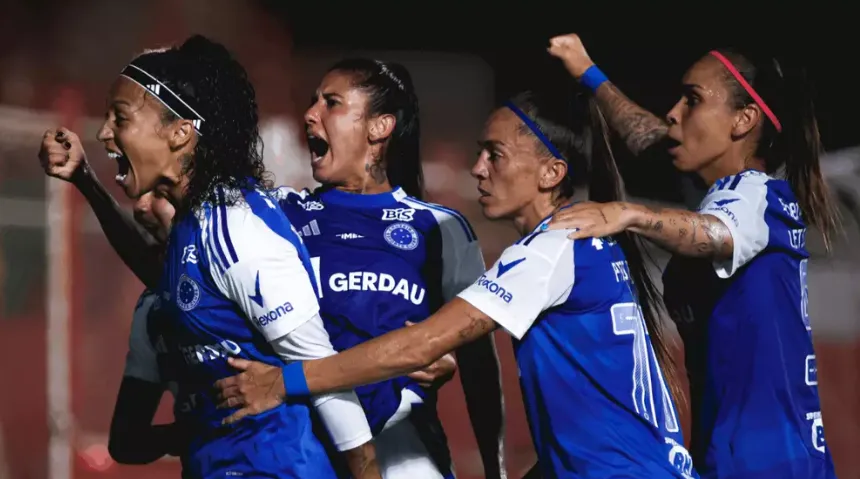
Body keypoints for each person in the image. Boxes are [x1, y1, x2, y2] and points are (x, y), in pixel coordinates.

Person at [215, 89, 697, 478]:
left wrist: (284, 381)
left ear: (552, 173)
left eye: (496, 154)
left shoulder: (552, 248)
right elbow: (597, 423)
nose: (477, 168)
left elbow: (419, 345)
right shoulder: (590, 244)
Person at [38, 35, 380, 479]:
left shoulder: (238, 230)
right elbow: (169, 285)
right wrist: (86, 181)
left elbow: (325, 377)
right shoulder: (196, 227)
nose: (105, 132)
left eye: (120, 117)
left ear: (180, 132)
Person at [544, 34, 838, 478]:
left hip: (770, 464)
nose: (673, 113)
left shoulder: (756, 195)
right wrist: (589, 71)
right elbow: (644, 133)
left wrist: (627, 214)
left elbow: (714, 235)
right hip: (734, 456)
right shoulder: (732, 194)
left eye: (692, 100)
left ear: (743, 120)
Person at [275, 57, 504, 479]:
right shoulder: (280, 215)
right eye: (313, 103)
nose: (310, 115)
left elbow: (478, 364)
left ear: (380, 127)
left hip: (402, 450)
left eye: (332, 104)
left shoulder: (440, 227)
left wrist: (496, 470)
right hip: (302, 448)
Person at [107, 192, 184, 464]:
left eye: (159, 193)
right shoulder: (152, 311)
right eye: (138, 194)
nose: (140, 207)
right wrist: (193, 433)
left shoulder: (252, 271)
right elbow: (125, 441)